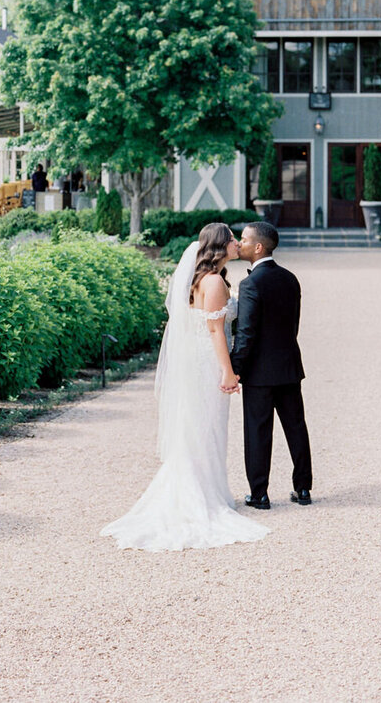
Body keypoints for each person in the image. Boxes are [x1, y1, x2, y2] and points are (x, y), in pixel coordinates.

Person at [101, 223, 269, 551]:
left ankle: (206, 488)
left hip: (196, 360)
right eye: (232, 239)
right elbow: (216, 332)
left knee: (198, 425)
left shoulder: (199, 280)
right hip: (208, 361)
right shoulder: (214, 282)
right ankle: (202, 493)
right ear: (220, 247)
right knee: (207, 426)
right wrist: (227, 371)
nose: (238, 243)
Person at [231, 220, 312, 510]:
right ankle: (303, 489)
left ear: (258, 246)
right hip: (289, 365)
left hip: (259, 373)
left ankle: (259, 494)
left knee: (258, 431)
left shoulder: (251, 283)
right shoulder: (291, 279)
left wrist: (235, 366)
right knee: (296, 427)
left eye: (243, 239)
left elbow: (247, 332)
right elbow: (294, 325)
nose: (239, 244)